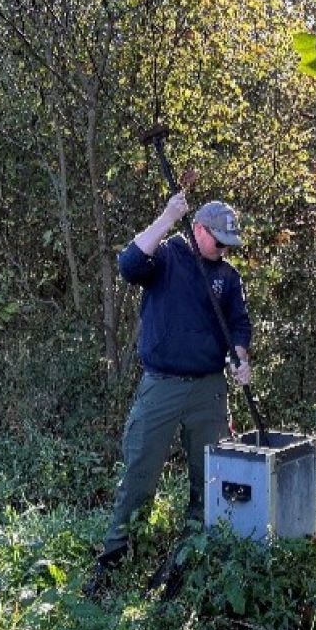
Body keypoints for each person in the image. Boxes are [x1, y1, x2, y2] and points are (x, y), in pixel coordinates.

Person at [86, 192, 251, 594]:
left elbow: (238, 325)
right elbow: (128, 264)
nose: (225, 248)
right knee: (140, 473)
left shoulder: (227, 277)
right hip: (161, 385)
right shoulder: (167, 256)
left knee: (209, 480)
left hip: (209, 389)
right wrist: (166, 215)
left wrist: (240, 358)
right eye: (219, 240)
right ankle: (113, 562)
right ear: (198, 229)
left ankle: (188, 562)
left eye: (230, 242)